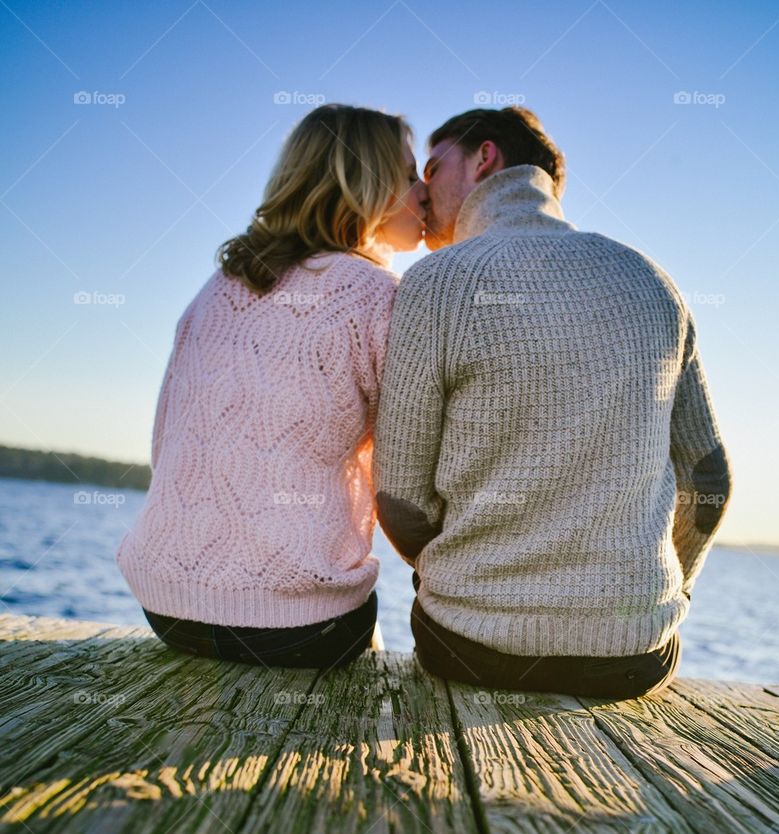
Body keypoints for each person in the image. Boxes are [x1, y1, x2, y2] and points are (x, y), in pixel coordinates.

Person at [372, 106, 733, 701]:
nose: (419, 190)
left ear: (484, 157)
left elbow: (401, 500)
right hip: (632, 661)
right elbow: (709, 478)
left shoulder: (436, 283)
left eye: (432, 168)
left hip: (470, 647)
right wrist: (669, 593)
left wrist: (473, 581)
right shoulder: (651, 281)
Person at [117, 104, 427, 669]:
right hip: (300, 627)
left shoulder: (219, 286)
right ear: (369, 184)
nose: (424, 191)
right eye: (409, 175)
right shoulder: (379, 294)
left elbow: (165, 442)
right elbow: (404, 473)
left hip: (165, 606)